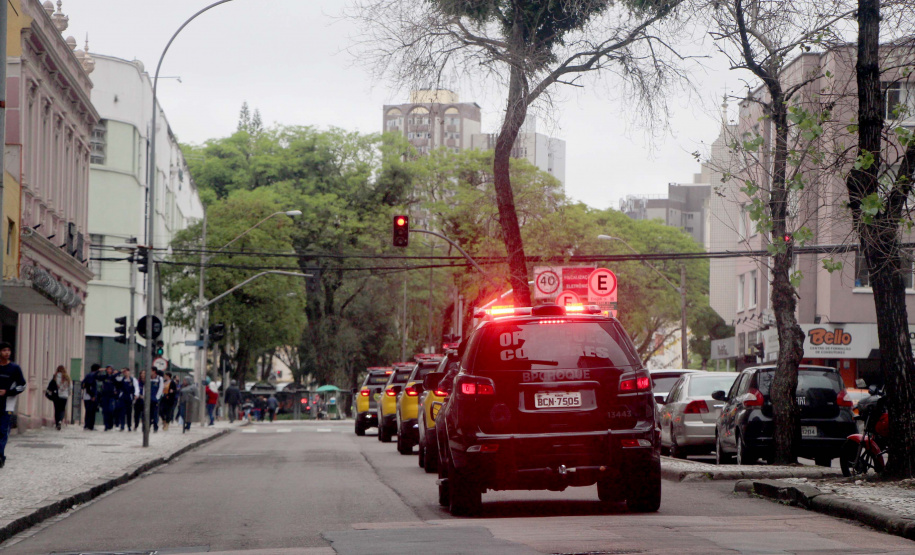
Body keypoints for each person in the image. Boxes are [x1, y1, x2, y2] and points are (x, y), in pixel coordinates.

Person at [0, 342, 26, 469]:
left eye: (8, 350)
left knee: (3, 431)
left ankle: (0, 455)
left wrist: (8, 392)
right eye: (4, 350)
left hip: (7, 405)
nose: (7, 352)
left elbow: (22, 385)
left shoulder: (14, 368)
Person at [46, 365, 71, 430]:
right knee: (62, 409)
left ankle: (57, 423)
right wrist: (68, 393)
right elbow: (70, 387)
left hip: (56, 396)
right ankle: (60, 421)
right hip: (64, 396)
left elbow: (50, 385)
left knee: (57, 409)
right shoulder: (67, 378)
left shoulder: (55, 377)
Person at [98, 366, 118, 431]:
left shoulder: (113, 377)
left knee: (111, 410)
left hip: (111, 396)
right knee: (105, 411)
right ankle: (106, 425)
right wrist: (99, 371)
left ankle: (111, 424)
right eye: (108, 369)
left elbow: (118, 384)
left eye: (110, 369)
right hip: (105, 396)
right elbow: (97, 377)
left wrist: (118, 372)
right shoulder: (104, 377)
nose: (109, 370)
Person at [82, 363, 100, 430]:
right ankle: (90, 426)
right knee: (91, 412)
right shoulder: (91, 376)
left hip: (86, 396)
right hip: (89, 397)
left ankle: (87, 425)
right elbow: (88, 387)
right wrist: (92, 395)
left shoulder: (88, 376)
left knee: (88, 411)